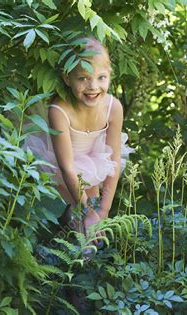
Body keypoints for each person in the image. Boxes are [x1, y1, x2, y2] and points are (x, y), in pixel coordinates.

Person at [25, 37, 133, 243]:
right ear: (67, 78)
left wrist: (104, 209)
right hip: (59, 167)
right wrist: (88, 212)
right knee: (77, 221)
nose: (93, 86)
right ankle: (58, 258)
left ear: (110, 75)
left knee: (94, 227)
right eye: (83, 78)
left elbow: (115, 159)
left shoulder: (113, 107)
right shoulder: (59, 110)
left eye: (101, 77)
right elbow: (67, 168)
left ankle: (87, 264)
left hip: (92, 164)